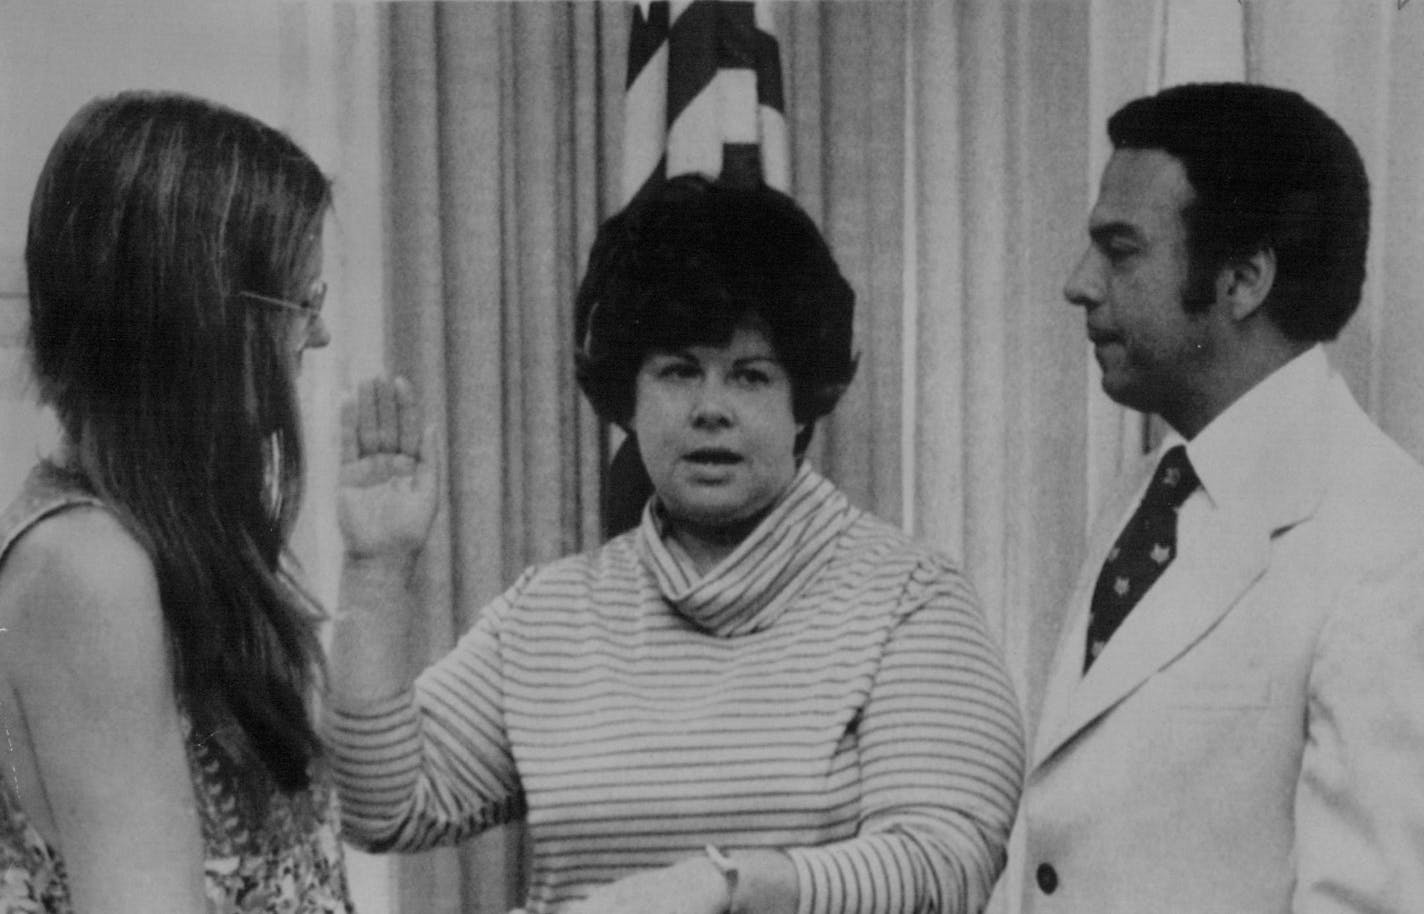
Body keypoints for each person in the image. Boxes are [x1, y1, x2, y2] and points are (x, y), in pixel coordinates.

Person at [324, 174, 1025, 914]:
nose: (712, 409)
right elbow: (380, 808)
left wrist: (720, 886)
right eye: (679, 371)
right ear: (627, 393)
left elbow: (942, 867)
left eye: (751, 376)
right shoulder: (548, 615)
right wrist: (376, 569)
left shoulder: (912, 599)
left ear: (803, 400)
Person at [1003, 82, 1424, 912]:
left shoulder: (1389, 536)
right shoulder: (1153, 489)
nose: (1077, 284)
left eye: (1120, 250)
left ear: (1242, 280)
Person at [0, 91, 352, 912]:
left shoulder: (148, 543)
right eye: (300, 305)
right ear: (197, 317)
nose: (318, 336)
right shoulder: (87, 568)